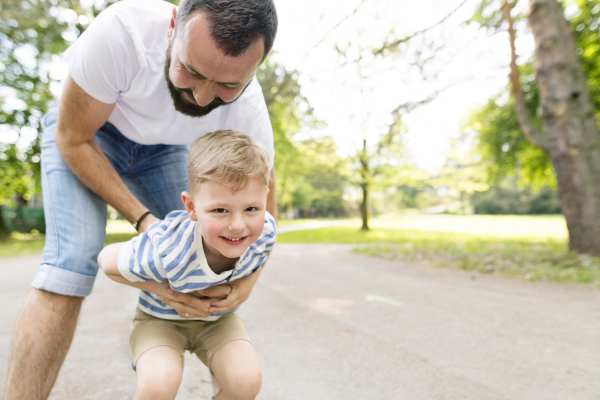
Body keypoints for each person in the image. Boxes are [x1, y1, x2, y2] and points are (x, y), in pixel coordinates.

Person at [4, 1, 278, 399]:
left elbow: (264, 216)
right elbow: (72, 138)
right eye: (193, 71)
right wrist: (146, 224)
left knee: (213, 243)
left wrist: (248, 282)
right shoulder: (120, 34)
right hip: (89, 135)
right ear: (173, 26)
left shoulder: (250, 112)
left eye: (228, 86)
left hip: (165, 148)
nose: (202, 98)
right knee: (72, 262)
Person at [97, 130, 276, 400]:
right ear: (191, 207)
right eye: (220, 210)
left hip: (218, 321)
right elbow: (107, 260)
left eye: (251, 209)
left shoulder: (264, 230)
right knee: (158, 384)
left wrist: (247, 284)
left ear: (265, 198)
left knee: (246, 382)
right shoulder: (169, 246)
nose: (238, 225)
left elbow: (263, 252)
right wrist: (168, 291)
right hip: (160, 320)